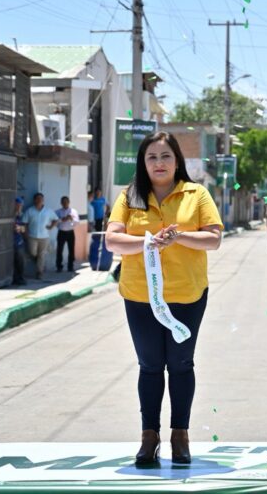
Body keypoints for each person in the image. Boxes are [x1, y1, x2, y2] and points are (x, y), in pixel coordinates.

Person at [105, 132, 224, 466]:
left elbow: (213, 239)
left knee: (181, 364)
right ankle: (149, 437)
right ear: (143, 163)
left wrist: (179, 236)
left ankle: (180, 436)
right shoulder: (129, 197)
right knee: (150, 365)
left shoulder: (196, 193)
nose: (159, 163)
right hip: (141, 297)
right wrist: (148, 243)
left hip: (187, 296)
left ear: (177, 161)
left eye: (166, 156)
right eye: (152, 157)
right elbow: (114, 240)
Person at [23, 193, 59, 280]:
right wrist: (25, 234)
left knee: (42, 255)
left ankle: (39, 272)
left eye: (41, 199)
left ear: (43, 200)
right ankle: (39, 263)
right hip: (32, 236)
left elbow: (56, 219)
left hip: (44, 237)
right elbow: (24, 223)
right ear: (34, 200)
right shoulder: (29, 211)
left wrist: (51, 227)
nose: (40, 200)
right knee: (32, 253)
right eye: (38, 198)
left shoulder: (48, 211)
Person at [55, 196, 80, 273]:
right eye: (63, 202)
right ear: (61, 203)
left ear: (69, 202)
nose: (65, 203)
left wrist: (71, 219)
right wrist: (63, 219)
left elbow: (77, 222)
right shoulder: (58, 212)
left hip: (70, 232)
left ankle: (70, 266)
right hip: (61, 232)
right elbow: (54, 221)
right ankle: (59, 266)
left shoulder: (73, 211)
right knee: (59, 250)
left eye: (66, 202)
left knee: (71, 249)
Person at [12, 197, 27, 285]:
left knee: (20, 261)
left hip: (18, 242)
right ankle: (12, 278)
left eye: (20, 205)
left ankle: (20, 278)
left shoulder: (21, 215)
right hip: (7, 242)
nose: (19, 207)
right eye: (17, 205)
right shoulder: (8, 214)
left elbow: (24, 229)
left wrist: (19, 228)